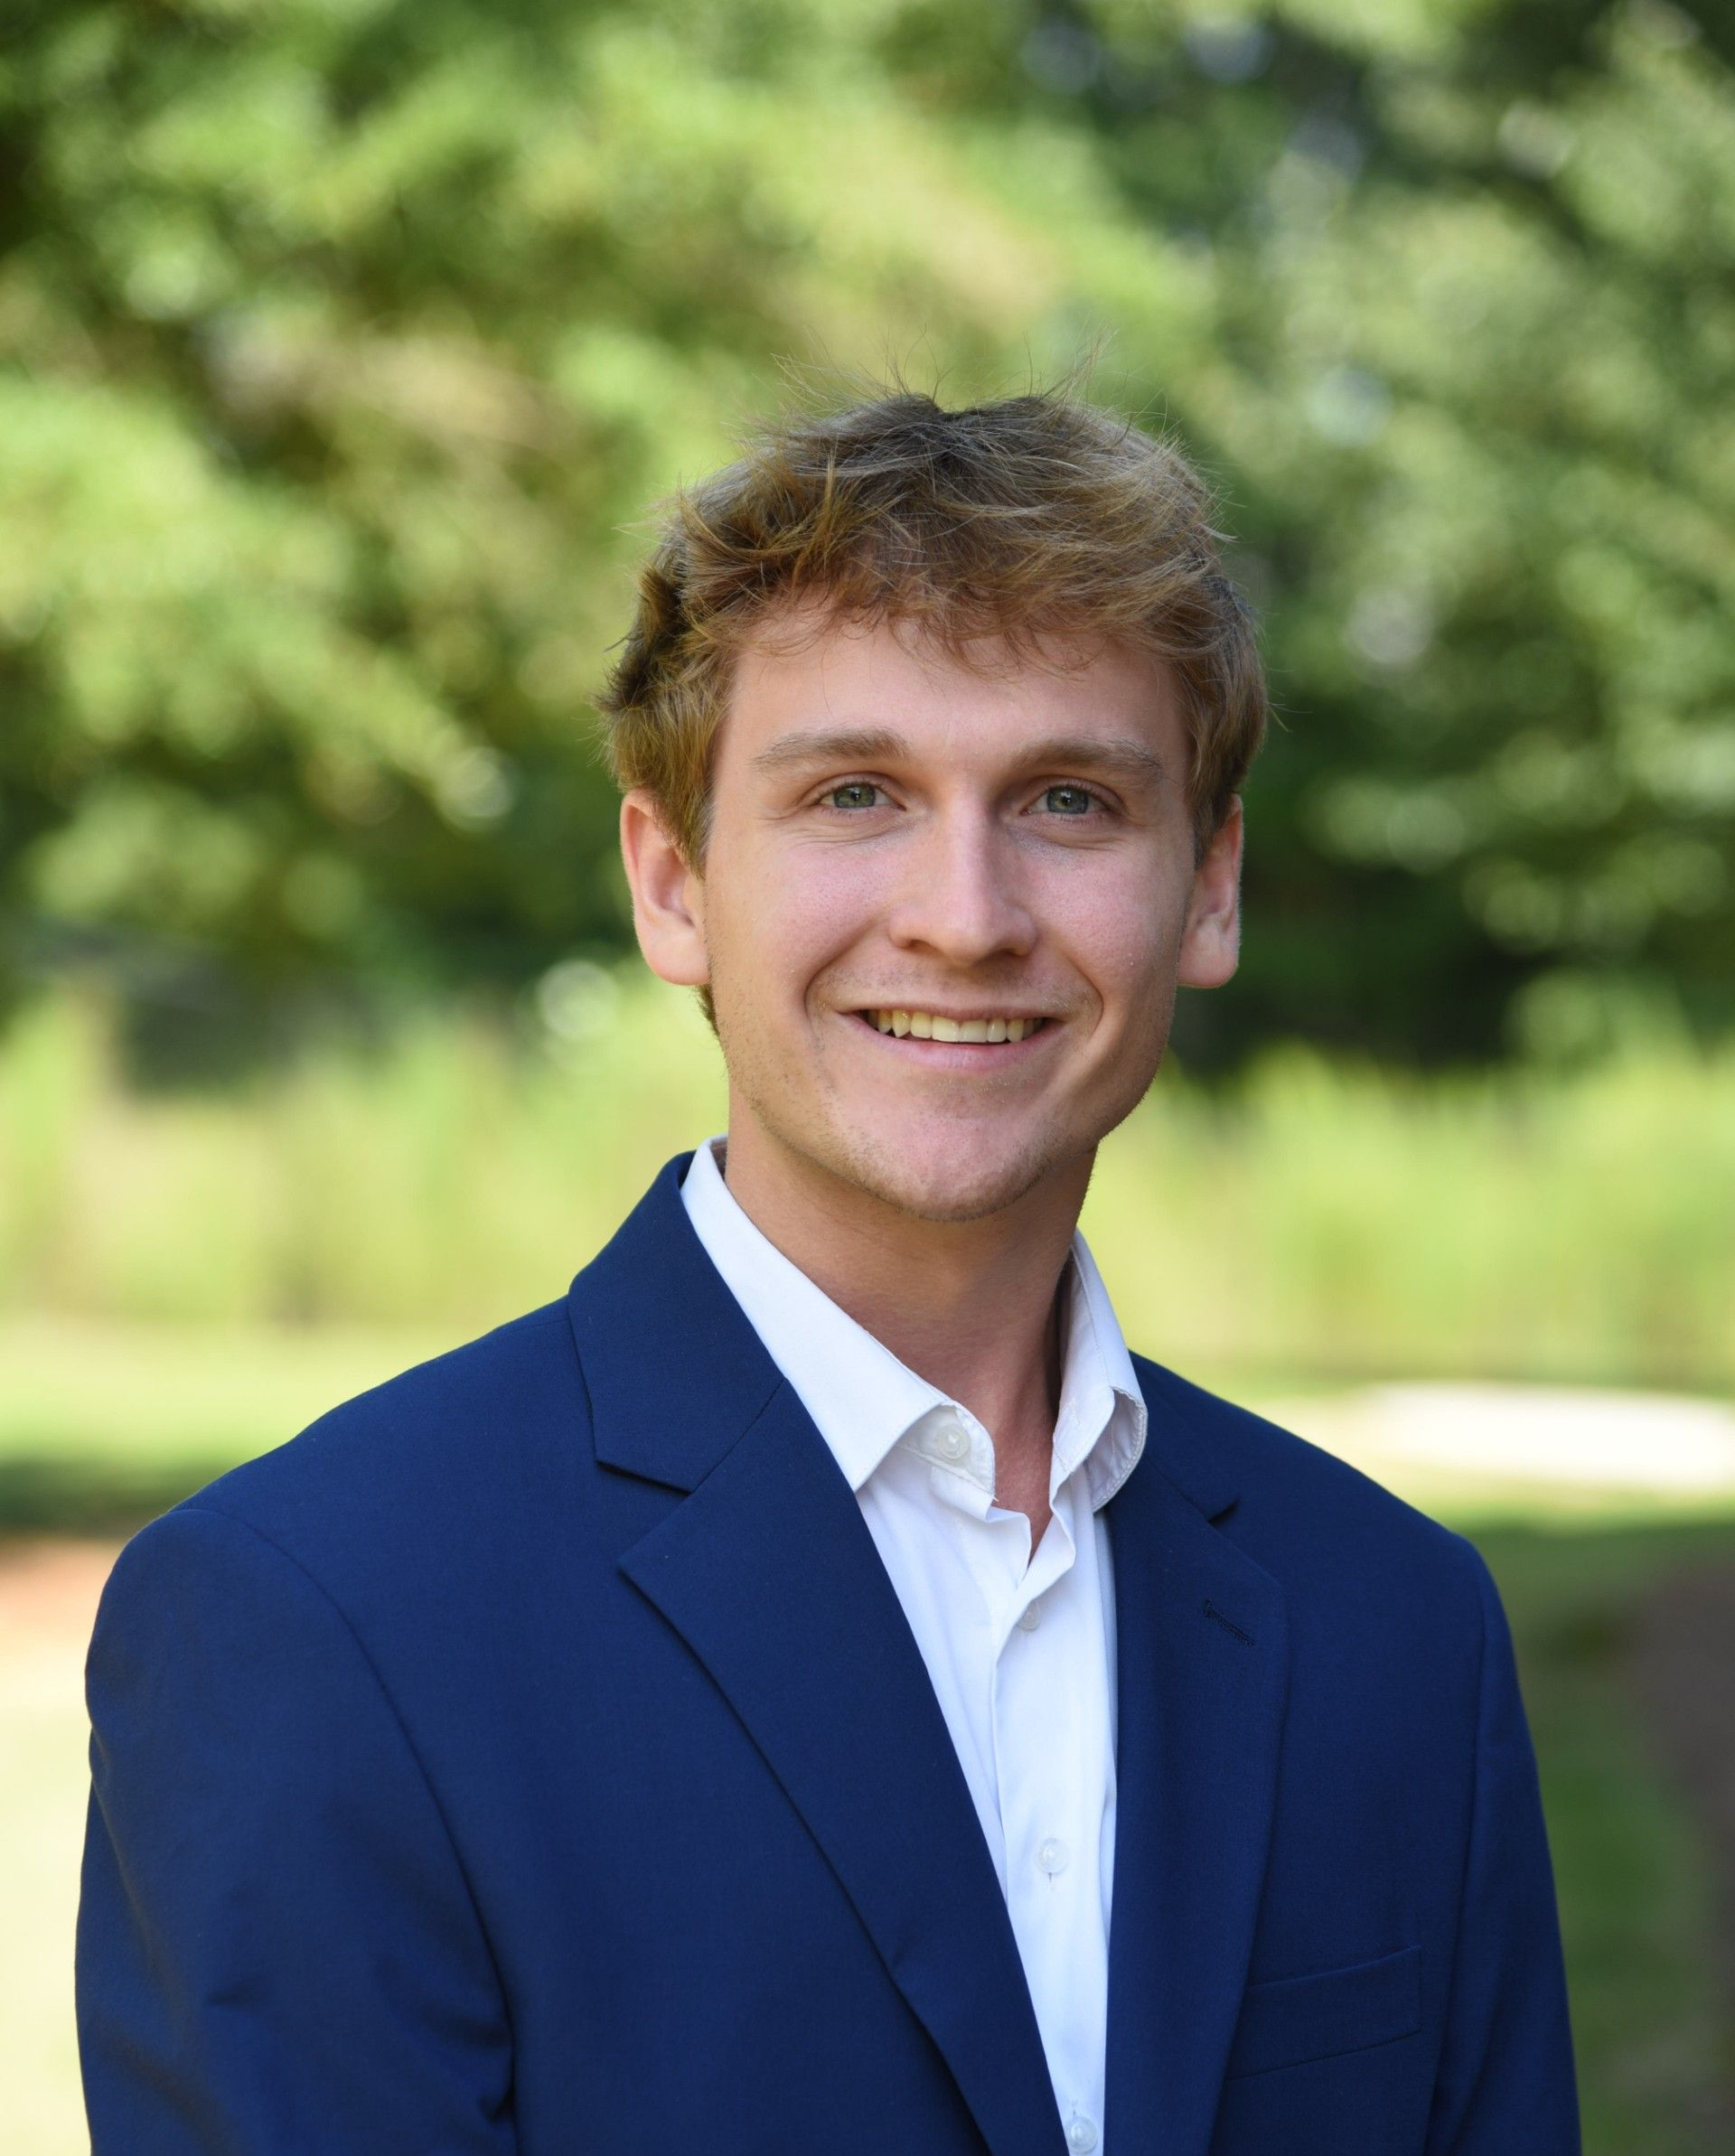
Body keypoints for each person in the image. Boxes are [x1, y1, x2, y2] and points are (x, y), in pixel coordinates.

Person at [76, 389, 1580, 2156]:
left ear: (1210, 888)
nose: (965, 910)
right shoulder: (317, 1617)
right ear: (673, 882)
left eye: (1070, 798)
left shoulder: (1398, 1624)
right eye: (856, 792)